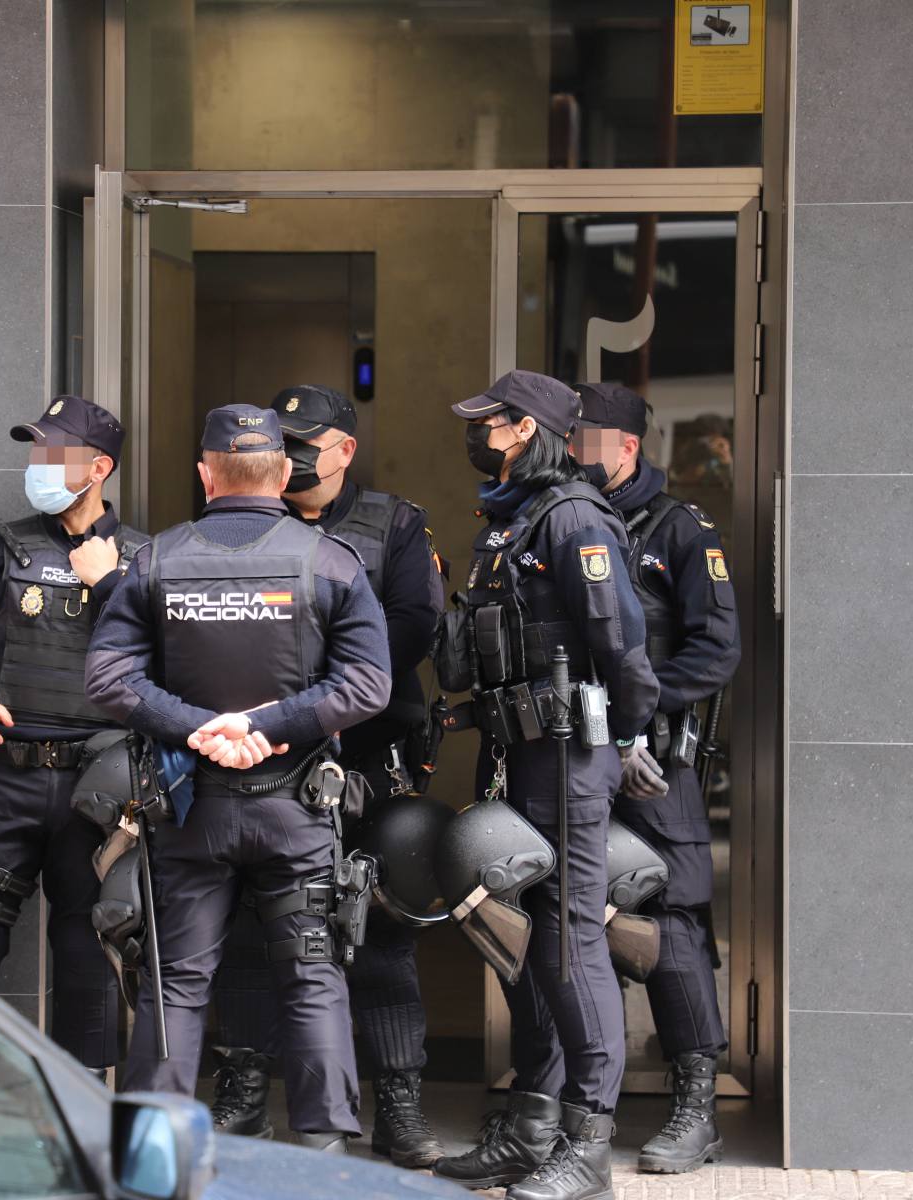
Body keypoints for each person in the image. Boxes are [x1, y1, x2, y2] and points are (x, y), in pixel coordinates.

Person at [86, 403, 392, 1152]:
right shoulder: (329, 561)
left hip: (193, 810)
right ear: (285, 474)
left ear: (204, 474)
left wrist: (196, 727)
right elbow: (368, 686)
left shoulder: (155, 560)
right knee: (312, 976)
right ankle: (322, 1148)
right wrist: (266, 728)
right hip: (294, 810)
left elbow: (108, 679)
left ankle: (153, 1155)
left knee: (176, 984)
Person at [430, 371, 658, 1200]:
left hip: (568, 750)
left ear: (523, 428)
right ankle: (533, 1124)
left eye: (484, 421)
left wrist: (628, 734)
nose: (474, 433)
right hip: (519, 748)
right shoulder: (516, 518)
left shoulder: (571, 516)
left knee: (569, 937)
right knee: (522, 936)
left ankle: (589, 1146)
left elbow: (621, 641)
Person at [208, 385, 447, 1166]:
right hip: (267, 764)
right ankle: (243, 1090)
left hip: (366, 760)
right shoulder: (236, 528)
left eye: (309, 441)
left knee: (375, 929)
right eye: (285, 441)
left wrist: (308, 691)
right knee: (251, 927)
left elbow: (411, 627)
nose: (296, 455)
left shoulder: (396, 526)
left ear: (345, 448)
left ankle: (399, 1104)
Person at [0, 395, 146, 1074]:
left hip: (100, 791)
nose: (39, 464)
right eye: (35, 451)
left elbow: (161, 663)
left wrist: (108, 586)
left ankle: (83, 1097)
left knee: (91, 947)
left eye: (55, 452)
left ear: (98, 466)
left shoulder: (143, 560)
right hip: (5, 777)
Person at [570, 381, 738, 1173]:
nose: (572, 454)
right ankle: (569, 1105)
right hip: (571, 756)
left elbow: (715, 650)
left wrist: (636, 712)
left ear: (626, 447)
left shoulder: (678, 529)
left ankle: (694, 1105)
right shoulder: (564, 521)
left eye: (585, 441)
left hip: (651, 765)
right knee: (569, 913)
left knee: (672, 922)